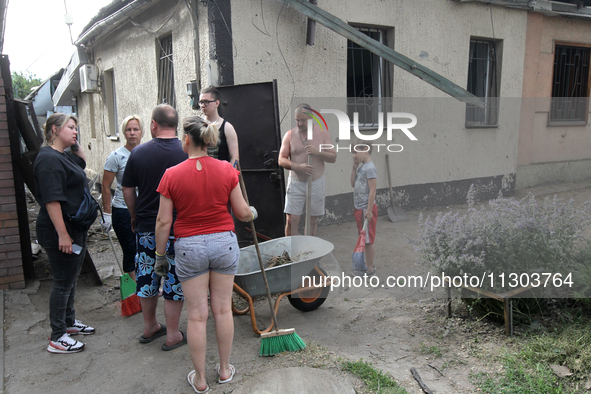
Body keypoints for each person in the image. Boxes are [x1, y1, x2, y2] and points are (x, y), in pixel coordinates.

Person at [154, 116, 256, 393]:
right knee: (222, 309)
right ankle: (224, 370)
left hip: (189, 247)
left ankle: (200, 381)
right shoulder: (226, 170)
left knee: (197, 316)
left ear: (186, 140)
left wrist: (160, 255)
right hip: (224, 243)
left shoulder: (171, 174)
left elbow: (163, 222)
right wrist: (252, 212)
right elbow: (243, 212)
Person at [121, 104, 187, 350]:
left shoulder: (138, 153)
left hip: (148, 227)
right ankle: (172, 334)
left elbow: (127, 188)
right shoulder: (186, 151)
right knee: (174, 279)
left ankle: (150, 326)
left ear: (153, 124)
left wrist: (134, 214)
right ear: (176, 125)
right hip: (179, 229)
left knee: (147, 276)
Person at [33, 113, 95, 354]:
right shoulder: (48, 159)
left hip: (74, 228)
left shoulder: (63, 155)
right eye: (71, 128)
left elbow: (81, 161)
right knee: (62, 283)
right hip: (60, 230)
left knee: (70, 279)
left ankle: (69, 323)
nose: (75, 132)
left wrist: (74, 140)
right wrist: (63, 235)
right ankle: (57, 336)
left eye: (76, 128)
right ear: (55, 130)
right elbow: (52, 200)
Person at [278, 104, 337, 236]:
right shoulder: (289, 135)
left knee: (311, 222)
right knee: (291, 220)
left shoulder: (322, 134)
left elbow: (333, 157)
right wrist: (298, 167)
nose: (300, 123)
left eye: (303, 120)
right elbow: (281, 160)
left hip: (316, 183)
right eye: (297, 120)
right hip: (296, 183)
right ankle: (292, 252)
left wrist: (318, 152)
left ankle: (309, 251)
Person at [101, 115, 143, 281]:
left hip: (143, 210)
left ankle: (144, 286)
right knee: (130, 250)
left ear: (142, 132)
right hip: (123, 211)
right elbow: (105, 186)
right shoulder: (116, 156)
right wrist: (107, 214)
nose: (132, 133)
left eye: (136, 129)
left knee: (145, 249)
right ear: (124, 133)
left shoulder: (145, 153)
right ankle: (135, 289)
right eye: (128, 129)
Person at [351, 143, 377, 276]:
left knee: (368, 238)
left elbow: (372, 191)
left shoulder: (370, 168)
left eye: (356, 152)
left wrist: (369, 210)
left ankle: (370, 268)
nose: (354, 156)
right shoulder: (362, 168)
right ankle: (366, 264)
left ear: (366, 150)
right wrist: (354, 168)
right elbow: (352, 184)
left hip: (366, 209)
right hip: (359, 208)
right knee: (363, 237)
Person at [199, 86, 239, 165]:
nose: (203, 105)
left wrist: (228, 174)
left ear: (217, 103)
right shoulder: (197, 125)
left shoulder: (227, 128)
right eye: (201, 102)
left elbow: (235, 158)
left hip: (221, 175)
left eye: (206, 102)